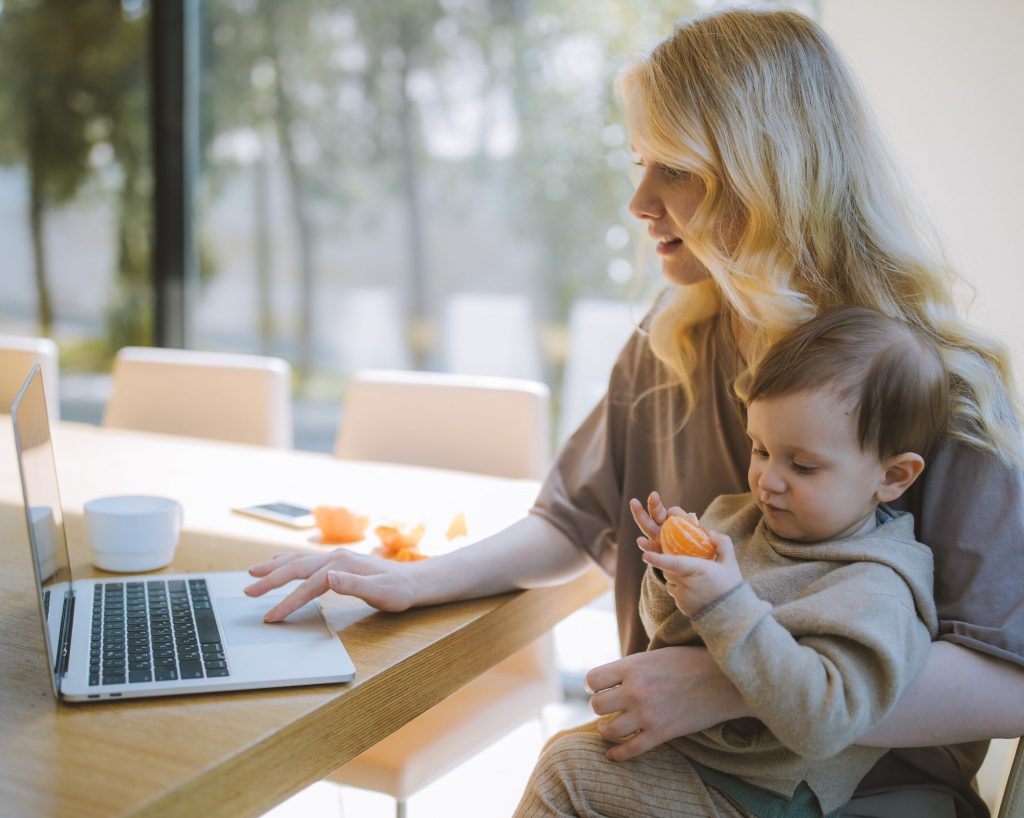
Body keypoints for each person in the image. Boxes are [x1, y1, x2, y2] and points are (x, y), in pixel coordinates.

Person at [245, 8, 1024, 815]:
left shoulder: (942, 386)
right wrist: (418, 579)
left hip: (871, 794)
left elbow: (1009, 682)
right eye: (639, 162)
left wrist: (731, 684)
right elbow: (575, 521)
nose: (640, 201)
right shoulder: (674, 339)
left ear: (770, 174)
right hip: (679, 770)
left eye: (676, 170)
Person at [513, 306, 946, 817]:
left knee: (567, 773)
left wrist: (725, 603)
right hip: (695, 755)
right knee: (566, 752)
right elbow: (670, 634)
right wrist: (671, 575)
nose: (768, 479)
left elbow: (825, 721)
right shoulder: (738, 519)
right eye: (760, 449)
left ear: (893, 477)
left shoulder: (877, 586)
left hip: (765, 794)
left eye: (802, 465)